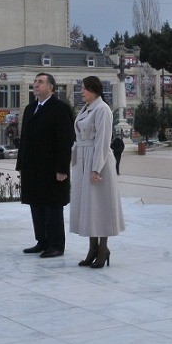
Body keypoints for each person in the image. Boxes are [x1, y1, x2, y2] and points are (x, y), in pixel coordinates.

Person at [15, 72, 74, 258]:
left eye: (40, 82)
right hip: (32, 168)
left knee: (52, 207)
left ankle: (56, 245)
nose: (36, 84)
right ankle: (42, 241)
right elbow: (24, 139)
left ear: (51, 87)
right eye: (35, 81)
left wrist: (62, 169)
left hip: (52, 168)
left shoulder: (60, 109)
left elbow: (65, 141)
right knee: (36, 204)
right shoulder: (30, 108)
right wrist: (21, 165)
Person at [68, 76, 124, 269]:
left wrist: (95, 168)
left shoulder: (102, 109)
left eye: (84, 88)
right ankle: (92, 248)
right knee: (88, 206)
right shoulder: (86, 109)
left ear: (94, 89)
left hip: (96, 161)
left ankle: (103, 248)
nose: (81, 91)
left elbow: (102, 141)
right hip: (83, 159)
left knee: (101, 206)